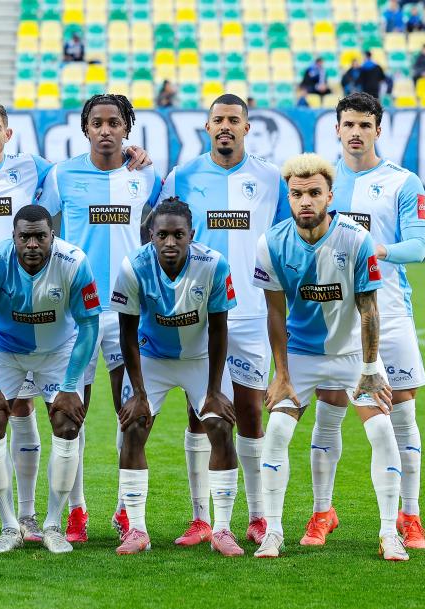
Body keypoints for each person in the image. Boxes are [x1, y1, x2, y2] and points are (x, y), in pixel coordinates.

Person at [0, 100, 150, 543]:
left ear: (8, 134)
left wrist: (132, 152)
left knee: (32, 408)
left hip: (38, 311)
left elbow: (82, 182)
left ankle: (34, 517)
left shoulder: (36, 169)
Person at [251, 153, 407, 562]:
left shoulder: (355, 239)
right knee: (277, 432)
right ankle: (273, 532)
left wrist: (371, 369)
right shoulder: (271, 243)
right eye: (297, 194)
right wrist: (281, 374)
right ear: (288, 196)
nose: (305, 201)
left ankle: (389, 533)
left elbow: (369, 308)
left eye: (314, 193)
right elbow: (274, 313)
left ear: (329, 196)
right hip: (301, 355)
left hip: (353, 354)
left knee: (381, 432)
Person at [160, 94, 289, 548]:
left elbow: (283, 240)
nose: (226, 126)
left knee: (251, 412)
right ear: (207, 126)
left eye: (234, 119)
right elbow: (162, 236)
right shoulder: (183, 176)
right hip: (197, 313)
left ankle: (258, 516)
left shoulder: (271, 178)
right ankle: (201, 518)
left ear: (247, 127)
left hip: (252, 312)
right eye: (218, 119)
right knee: (201, 413)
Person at [37, 94, 161, 542]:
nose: (105, 130)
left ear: (127, 128)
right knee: (69, 416)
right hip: (77, 315)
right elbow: (32, 222)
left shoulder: (146, 175)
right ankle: (77, 511)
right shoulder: (62, 175)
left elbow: (172, 225)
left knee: (133, 415)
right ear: (85, 128)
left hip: (129, 313)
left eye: (114, 122)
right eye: (97, 122)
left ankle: (127, 511)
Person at [0, 205, 101, 553]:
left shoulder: (74, 262)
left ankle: (53, 525)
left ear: (53, 236)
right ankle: (9, 526)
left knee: (68, 423)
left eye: (41, 236)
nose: (33, 244)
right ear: (14, 237)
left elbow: (89, 325)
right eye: (25, 237)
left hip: (58, 349)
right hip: (4, 347)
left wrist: (70, 385)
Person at [329, 93, 425, 550]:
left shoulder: (402, 181)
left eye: (364, 125)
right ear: (337, 128)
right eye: (348, 124)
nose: (356, 132)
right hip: (334, 315)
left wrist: (375, 248)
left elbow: (418, 247)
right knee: (331, 409)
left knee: (403, 411)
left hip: (389, 311)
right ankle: (322, 512)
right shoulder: (322, 181)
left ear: (378, 130)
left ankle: (410, 515)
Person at [111, 199, 240, 555]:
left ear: (191, 235)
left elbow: (219, 329)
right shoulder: (133, 267)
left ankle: (222, 529)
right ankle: (137, 529)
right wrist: (139, 394)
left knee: (220, 426)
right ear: (150, 235)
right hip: (152, 358)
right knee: (133, 427)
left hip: (199, 358)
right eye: (162, 235)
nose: (170, 242)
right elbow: (127, 333)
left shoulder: (214, 265)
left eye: (178, 235)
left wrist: (213, 390)